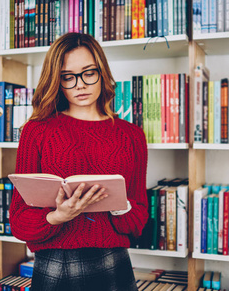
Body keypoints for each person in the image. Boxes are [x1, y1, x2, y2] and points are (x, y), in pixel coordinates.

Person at [9, 32, 148, 291]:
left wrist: (118, 205)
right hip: (55, 261)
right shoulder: (37, 131)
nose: (80, 85)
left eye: (88, 73)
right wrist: (57, 216)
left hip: (113, 259)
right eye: (67, 77)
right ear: (57, 81)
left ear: (102, 72)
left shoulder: (131, 135)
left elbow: (138, 219)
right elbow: (19, 220)